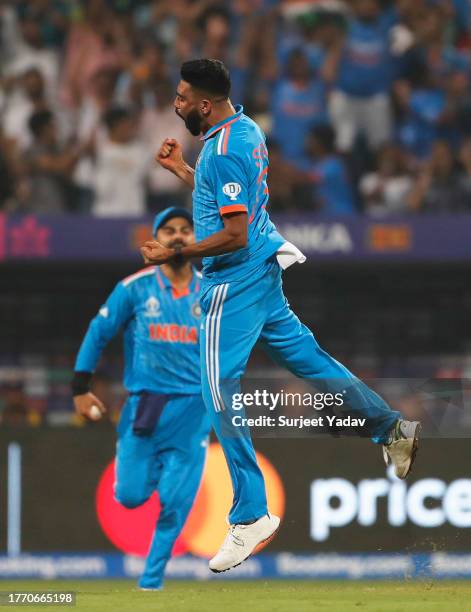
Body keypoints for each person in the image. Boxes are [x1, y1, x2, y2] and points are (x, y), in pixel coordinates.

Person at [140, 59, 420, 574]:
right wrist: (184, 171)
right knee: (311, 361)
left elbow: (234, 232)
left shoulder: (221, 150)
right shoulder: (244, 130)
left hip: (233, 278)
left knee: (217, 391)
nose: (176, 105)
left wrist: (173, 254)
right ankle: (392, 429)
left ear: (203, 103)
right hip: (264, 272)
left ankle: (250, 515)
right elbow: (226, 197)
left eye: (181, 98)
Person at [72, 207, 210, 591]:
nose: (178, 236)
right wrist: (80, 389)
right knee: (130, 496)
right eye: (169, 231)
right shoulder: (134, 288)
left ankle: (150, 581)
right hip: (145, 407)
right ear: (155, 240)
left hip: (194, 409)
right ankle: (139, 471)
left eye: (186, 230)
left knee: (175, 501)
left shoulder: (213, 291)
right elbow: (97, 333)